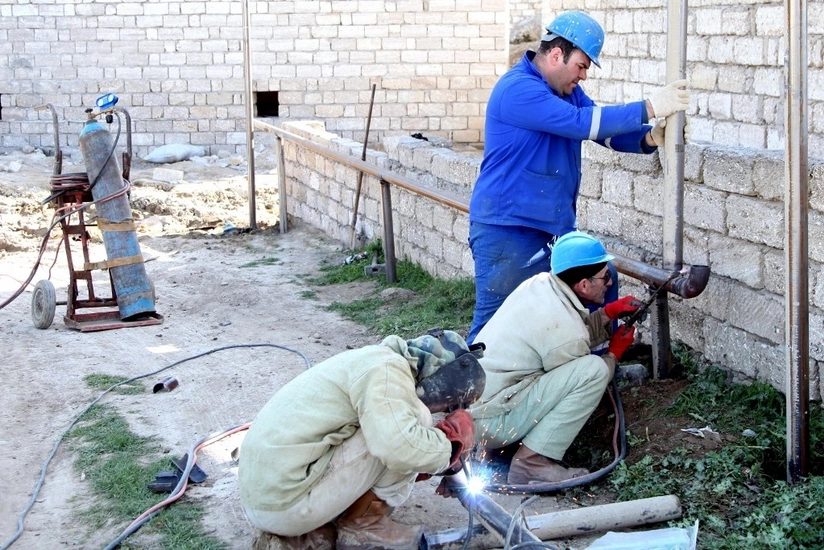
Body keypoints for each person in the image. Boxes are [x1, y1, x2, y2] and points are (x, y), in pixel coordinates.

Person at [466, 10, 690, 343]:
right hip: (508, 230)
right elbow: (582, 124)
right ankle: (468, 391)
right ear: (556, 55)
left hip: (552, 230)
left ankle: (598, 366)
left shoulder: (566, 92)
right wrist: (650, 107)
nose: (583, 76)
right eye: (582, 66)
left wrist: (648, 138)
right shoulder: (519, 89)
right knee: (494, 325)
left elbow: (603, 131)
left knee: (603, 278)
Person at [237, 329, 479, 550]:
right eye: (448, 404)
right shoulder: (387, 370)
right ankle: (363, 527)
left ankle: (319, 525)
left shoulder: (373, 360)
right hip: (285, 505)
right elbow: (398, 447)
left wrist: (437, 462)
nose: (443, 410)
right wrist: (450, 446)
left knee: (395, 427)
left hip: (267, 497)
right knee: (416, 421)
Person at [469, 231, 640, 484]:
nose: (610, 283)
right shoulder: (566, 333)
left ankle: (499, 452)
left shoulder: (539, 285)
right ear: (583, 285)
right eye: (606, 277)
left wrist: (608, 313)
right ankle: (531, 463)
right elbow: (575, 364)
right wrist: (614, 354)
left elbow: (564, 335)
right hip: (493, 424)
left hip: (472, 413)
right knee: (595, 370)